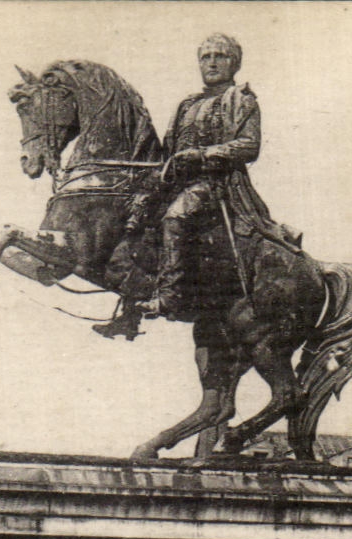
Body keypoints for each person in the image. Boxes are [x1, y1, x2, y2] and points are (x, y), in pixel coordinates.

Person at [110, 34, 297, 330]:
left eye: (220, 56)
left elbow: (249, 146)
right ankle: (128, 309)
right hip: (177, 181)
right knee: (134, 214)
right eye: (205, 56)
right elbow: (169, 149)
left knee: (176, 217)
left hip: (216, 184)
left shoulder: (241, 99)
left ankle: (170, 296)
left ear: (234, 63)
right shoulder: (188, 103)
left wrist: (202, 154)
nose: (211, 62)